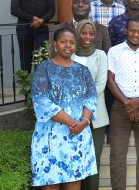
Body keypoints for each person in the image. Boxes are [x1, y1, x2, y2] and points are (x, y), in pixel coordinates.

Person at [30, 27, 97, 188]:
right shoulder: (43, 69)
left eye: (72, 42)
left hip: (78, 135)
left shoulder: (83, 71)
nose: (68, 46)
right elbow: (41, 101)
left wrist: (85, 121)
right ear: (55, 44)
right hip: (50, 137)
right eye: (63, 42)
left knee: (74, 180)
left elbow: (91, 98)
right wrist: (72, 123)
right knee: (50, 180)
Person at [108, 18, 139, 190]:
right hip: (120, 108)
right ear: (126, 31)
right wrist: (127, 103)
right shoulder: (113, 51)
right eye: (132, 31)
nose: (136, 34)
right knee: (117, 156)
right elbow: (110, 80)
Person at [71, 20, 109, 190]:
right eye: (84, 33)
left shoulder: (101, 55)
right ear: (77, 33)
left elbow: (101, 84)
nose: (87, 37)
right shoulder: (69, 53)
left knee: (93, 159)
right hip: (71, 117)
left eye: (91, 33)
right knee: (74, 158)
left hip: (96, 117)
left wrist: (82, 102)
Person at [11, 0, 55, 72]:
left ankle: (40, 88)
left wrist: (40, 20)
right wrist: (32, 18)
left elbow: (52, 10)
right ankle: (26, 89)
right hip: (24, 28)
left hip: (42, 29)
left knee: (41, 60)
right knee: (25, 60)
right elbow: (14, 10)